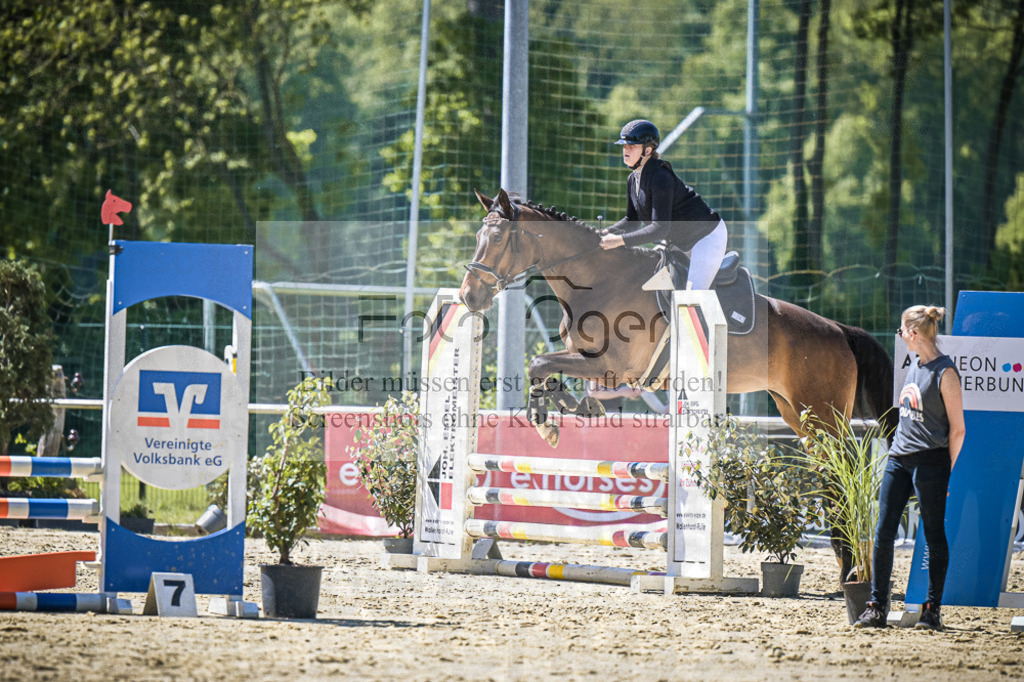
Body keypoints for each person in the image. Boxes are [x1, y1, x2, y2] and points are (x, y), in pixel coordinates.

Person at [854, 305, 966, 631]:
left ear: (913, 334)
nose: (900, 336)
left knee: (933, 534)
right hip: (899, 458)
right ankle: (876, 607)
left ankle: (932, 610)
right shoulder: (912, 365)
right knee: (884, 531)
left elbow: (958, 429)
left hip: (932, 460)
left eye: (902, 331)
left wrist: (948, 470)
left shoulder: (946, 374)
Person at [599, 119, 728, 291]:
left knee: (691, 298)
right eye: (624, 146)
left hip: (705, 238)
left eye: (632, 146)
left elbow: (660, 228)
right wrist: (604, 232)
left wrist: (619, 240)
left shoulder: (660, 177)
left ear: (648, 150)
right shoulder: (632, 179)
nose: (626, 149)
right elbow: (632, 220)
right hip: (678, 242)